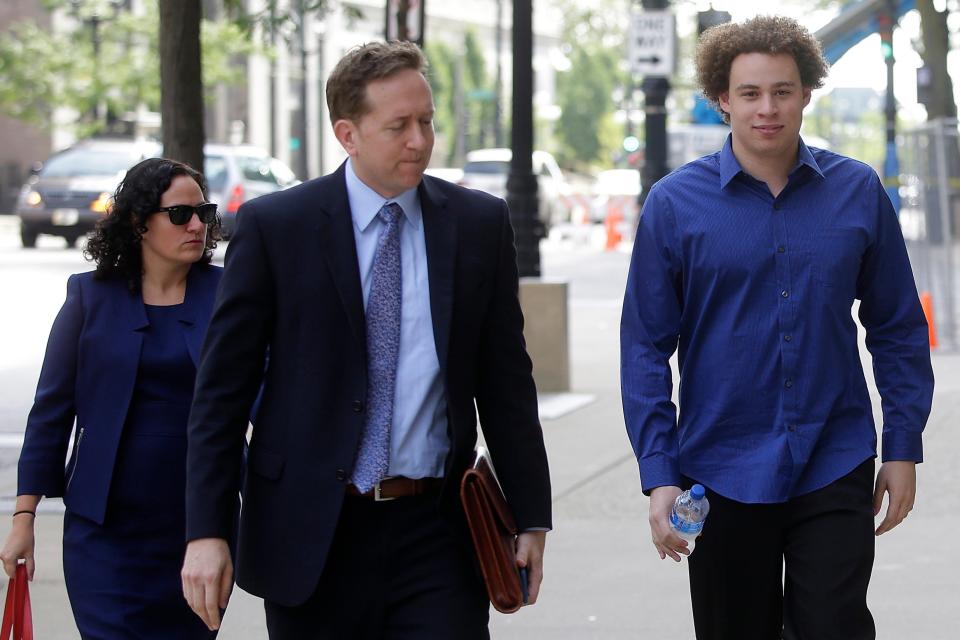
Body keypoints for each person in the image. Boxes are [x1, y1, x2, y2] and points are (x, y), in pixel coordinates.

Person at [180, 40, 552, 639]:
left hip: (437, 532)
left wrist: (532, 515)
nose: (420, 140)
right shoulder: (277, 229)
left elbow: (506, 382)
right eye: (399, 126)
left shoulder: (477, 225)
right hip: (311, 533)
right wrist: (207, 530)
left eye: (427, 121)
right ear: (348, 134)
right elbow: (221, 394)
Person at [620, 15, 933, 640]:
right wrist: (659, 473)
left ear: (807, 94)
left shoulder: (858, 190)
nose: (768, 108)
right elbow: (644, 349)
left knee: (833, 626)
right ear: (721, 101)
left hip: (834, 456)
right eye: (750, 93)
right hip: (718, 468)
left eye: (783, 91)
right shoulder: (674, 205)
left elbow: (896, 328)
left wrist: (902, 445)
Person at [0, 158, 228, 638]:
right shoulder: (90, 297)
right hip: (103, 533)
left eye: (203, 213)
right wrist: (25, 515)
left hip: (197, 527)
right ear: (139, 222)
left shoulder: (226, 295)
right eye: (180, 214)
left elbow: (266, 396)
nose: (196, 226)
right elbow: (51, 412)